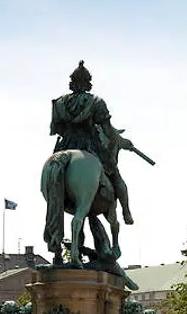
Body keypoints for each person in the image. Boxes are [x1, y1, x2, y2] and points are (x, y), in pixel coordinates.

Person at [50, 61, 133, 225]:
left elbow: (57, 129)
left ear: (71, 83)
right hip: (89, 145)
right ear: (88, 84)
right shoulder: (96, 102)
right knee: (115, 175)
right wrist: (122, 142)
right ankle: (126, 212)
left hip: (64, 146)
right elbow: (108, 130)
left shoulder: (58, 103)